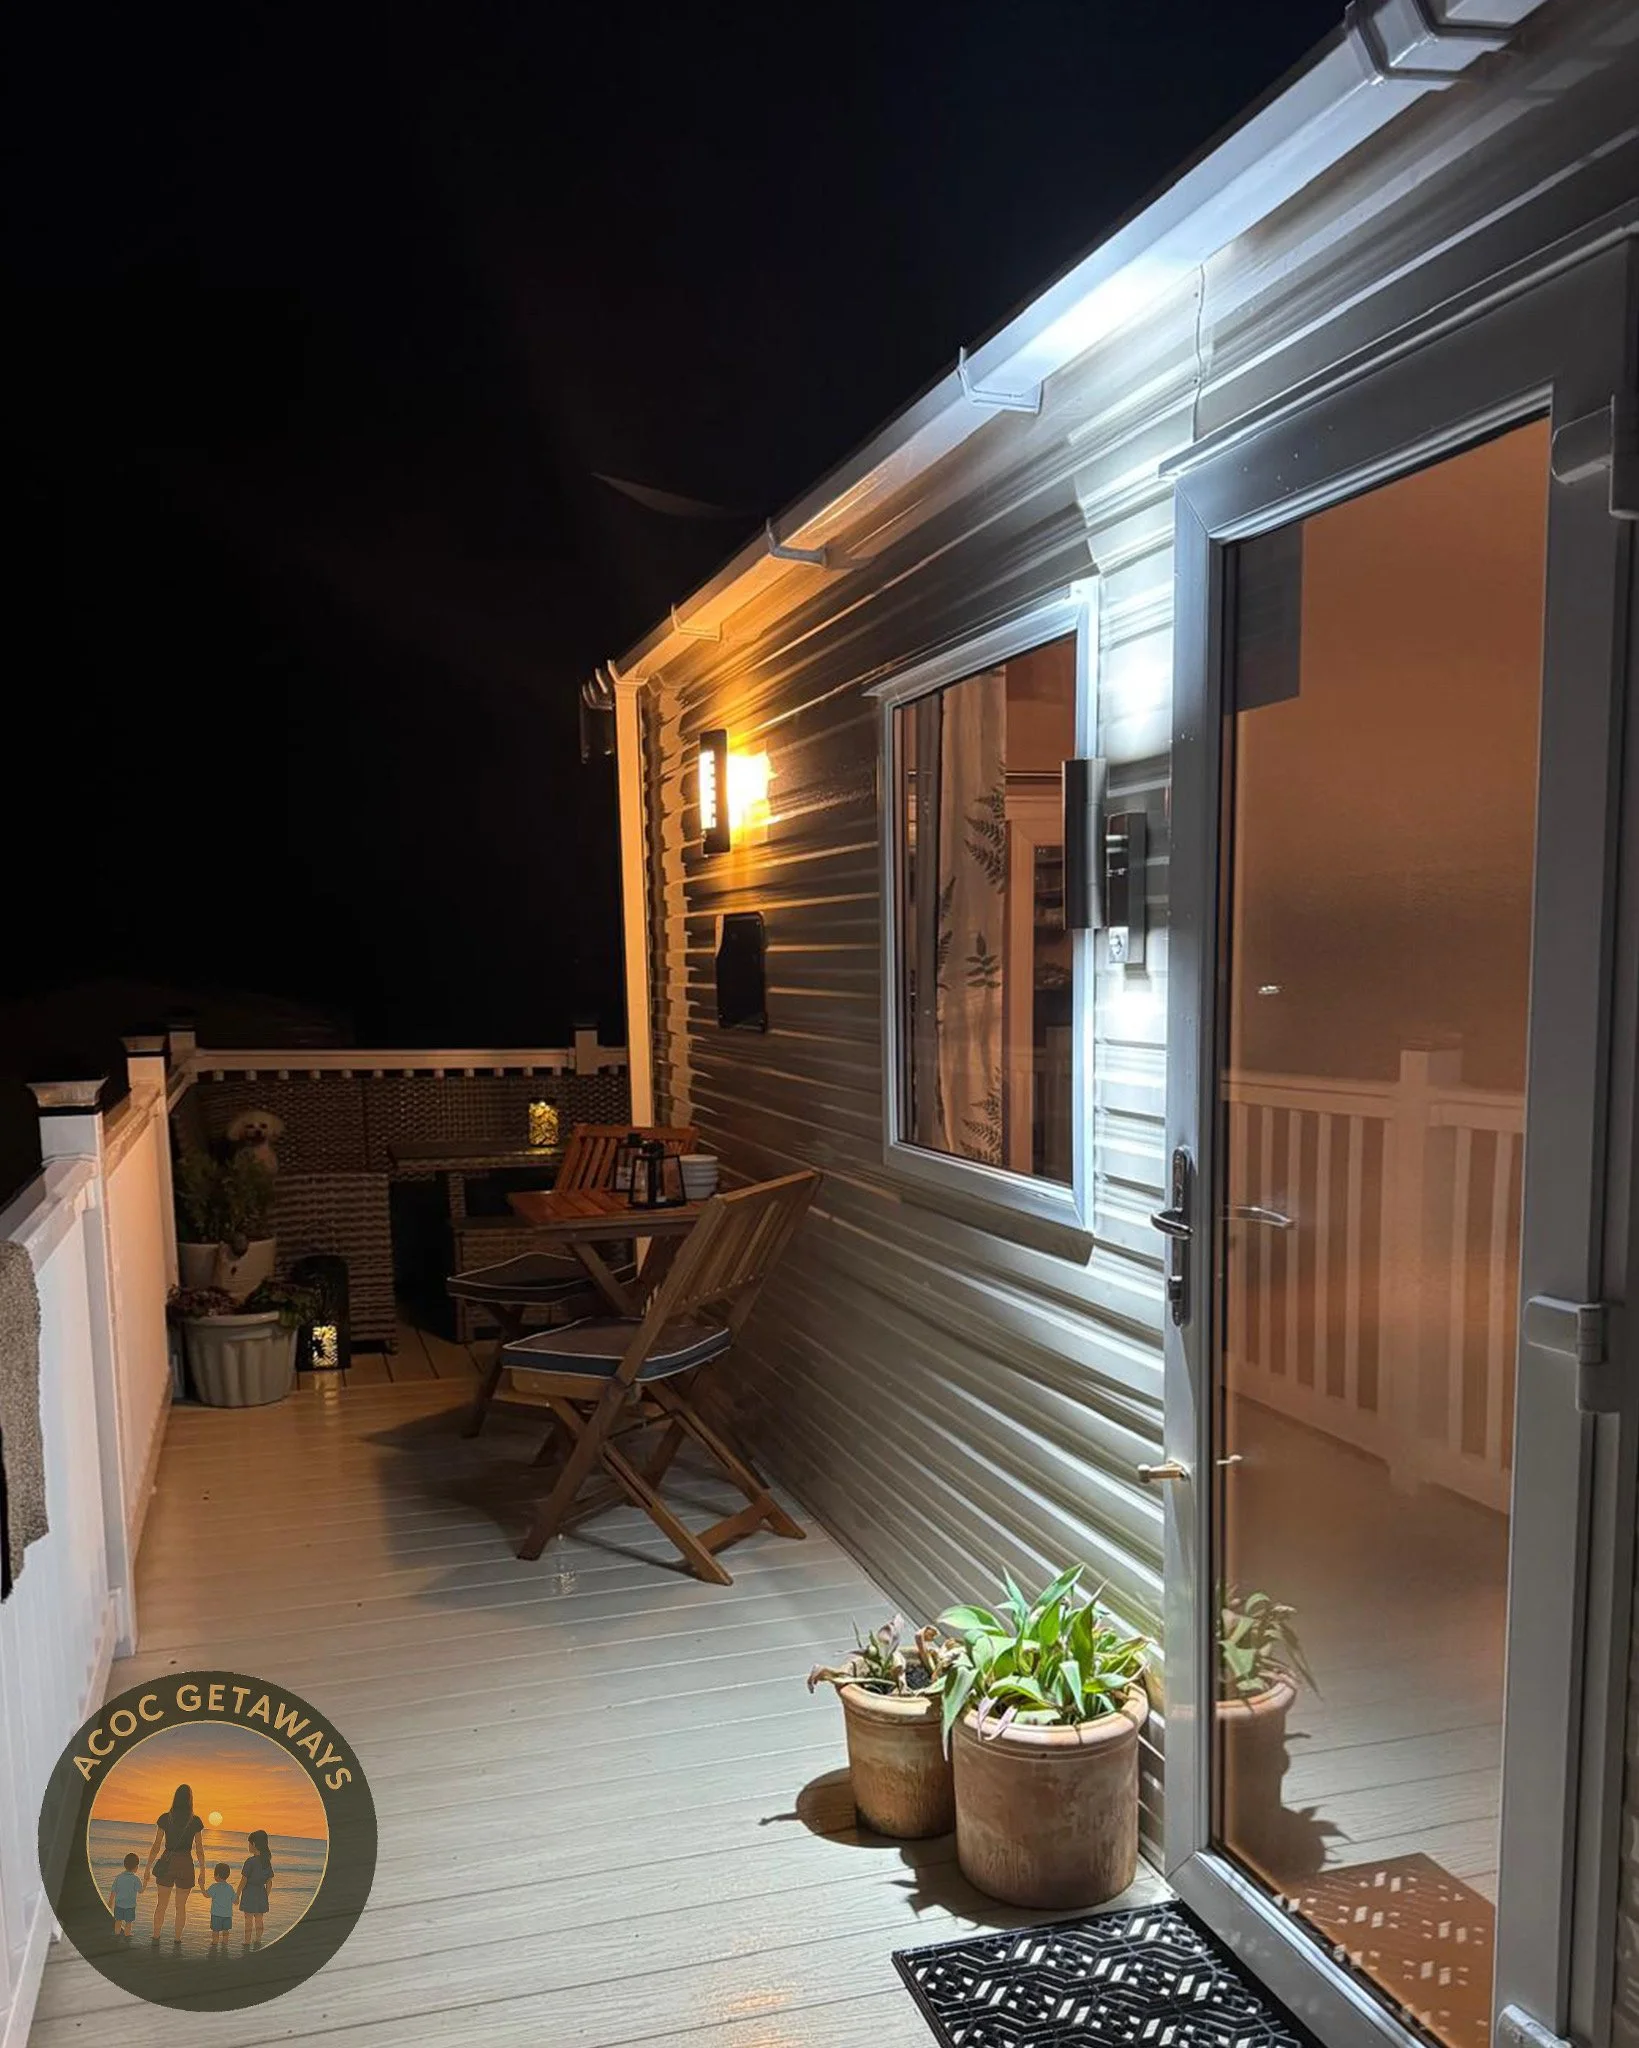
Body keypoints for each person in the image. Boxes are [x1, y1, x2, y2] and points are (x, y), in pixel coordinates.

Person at [144, 1782, 206, 1948]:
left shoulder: (165, 1818)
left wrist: (148, 1867)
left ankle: (156, 1937)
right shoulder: (195, 1821)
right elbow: (199, 1850)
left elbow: (156, 1845)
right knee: (181, 1907)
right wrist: (203, 1872)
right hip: (186, 1864)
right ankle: (177, 1940)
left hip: (167, 1861)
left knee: (161, 1905)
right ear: (190, 1800)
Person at [237, 1829, 273, 1949]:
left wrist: (237, 1894)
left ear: (254, 1844)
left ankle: (247, 1941)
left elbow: (243, 1881)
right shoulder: (266, 1861)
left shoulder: (250, 1862)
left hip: (249, 1892)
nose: (248, 1846)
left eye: (249, 1843)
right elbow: (269, 1882)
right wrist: (265, 1895)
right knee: (259, 1919)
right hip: (261, 1893)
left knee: (248, 1919)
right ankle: (258, 1940)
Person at [108, 1853, 144, 1939]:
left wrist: (110, 1903)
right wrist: (145, 1882)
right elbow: (140, 1890)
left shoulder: (119, 1877)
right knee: (128, 1922)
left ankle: (117, 1934)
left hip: (119, 1904)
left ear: (124, 1865)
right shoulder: (136, 1879)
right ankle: (127, 1935)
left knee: (118, 1920)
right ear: (136, 1867)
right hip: (130, 1905)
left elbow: (113, 1891)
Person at [203, 1863, 237, 1952]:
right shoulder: (230, 1888)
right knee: (226, 1932)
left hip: (216, 1915)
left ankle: (214, 1944)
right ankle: (225, 1946)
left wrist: (201, 1886)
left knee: (215, 1931)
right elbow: (235, 1901)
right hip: (227, 1915)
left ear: (217, 1875)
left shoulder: (214, 1887)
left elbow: (206, 1895)